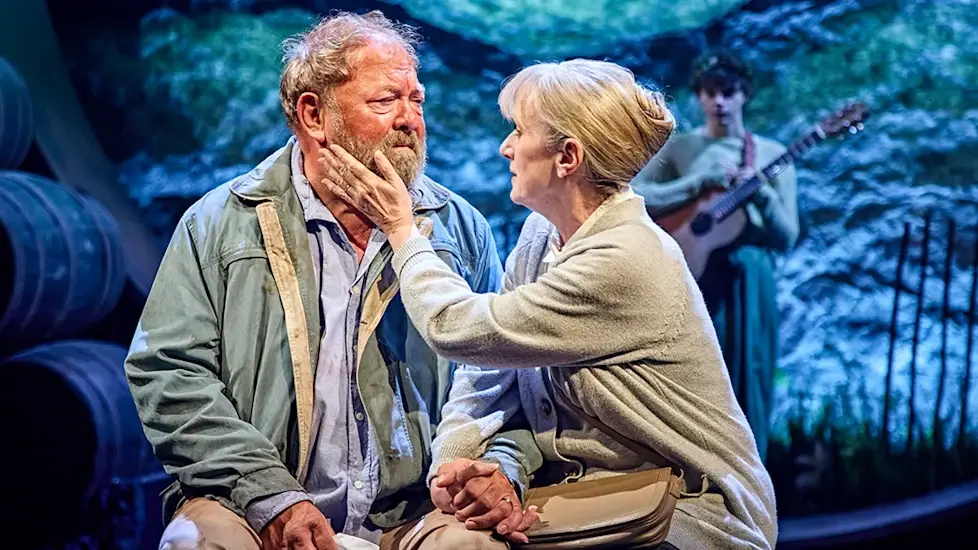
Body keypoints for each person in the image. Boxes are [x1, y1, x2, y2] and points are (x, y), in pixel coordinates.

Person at [319, 58, 779, 549]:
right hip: (590, 499)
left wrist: (402, 231)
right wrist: (454, 460)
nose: (506, 147)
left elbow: (458, 327)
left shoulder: (625, 257)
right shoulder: (543, 234)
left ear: (567, 157)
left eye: (519, 131)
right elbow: (491, 366)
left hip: (689, 512)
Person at [124, 11, 541, 550]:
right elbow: (169, 372)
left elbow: (505, 376)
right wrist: (268, 493)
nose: (410, 120)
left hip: (416, 510)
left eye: (417, 100)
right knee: (197, 543)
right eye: (385, 100)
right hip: (252, 504)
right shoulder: (222, 224)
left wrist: (500, 465)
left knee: (474, 545)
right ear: (313, 115)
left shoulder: (457, 228)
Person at [631, 50, 800, 462]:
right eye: (709, 93)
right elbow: (635, 195)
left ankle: (748, 480)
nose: (718, 101)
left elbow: (787, 238)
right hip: (695, 276)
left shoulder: (770, 154)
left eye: (728, 91)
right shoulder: (681, 148)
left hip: (749, 279)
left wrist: (762, 195)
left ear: (745, 94)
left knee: (750, 374)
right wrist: (695, 183)